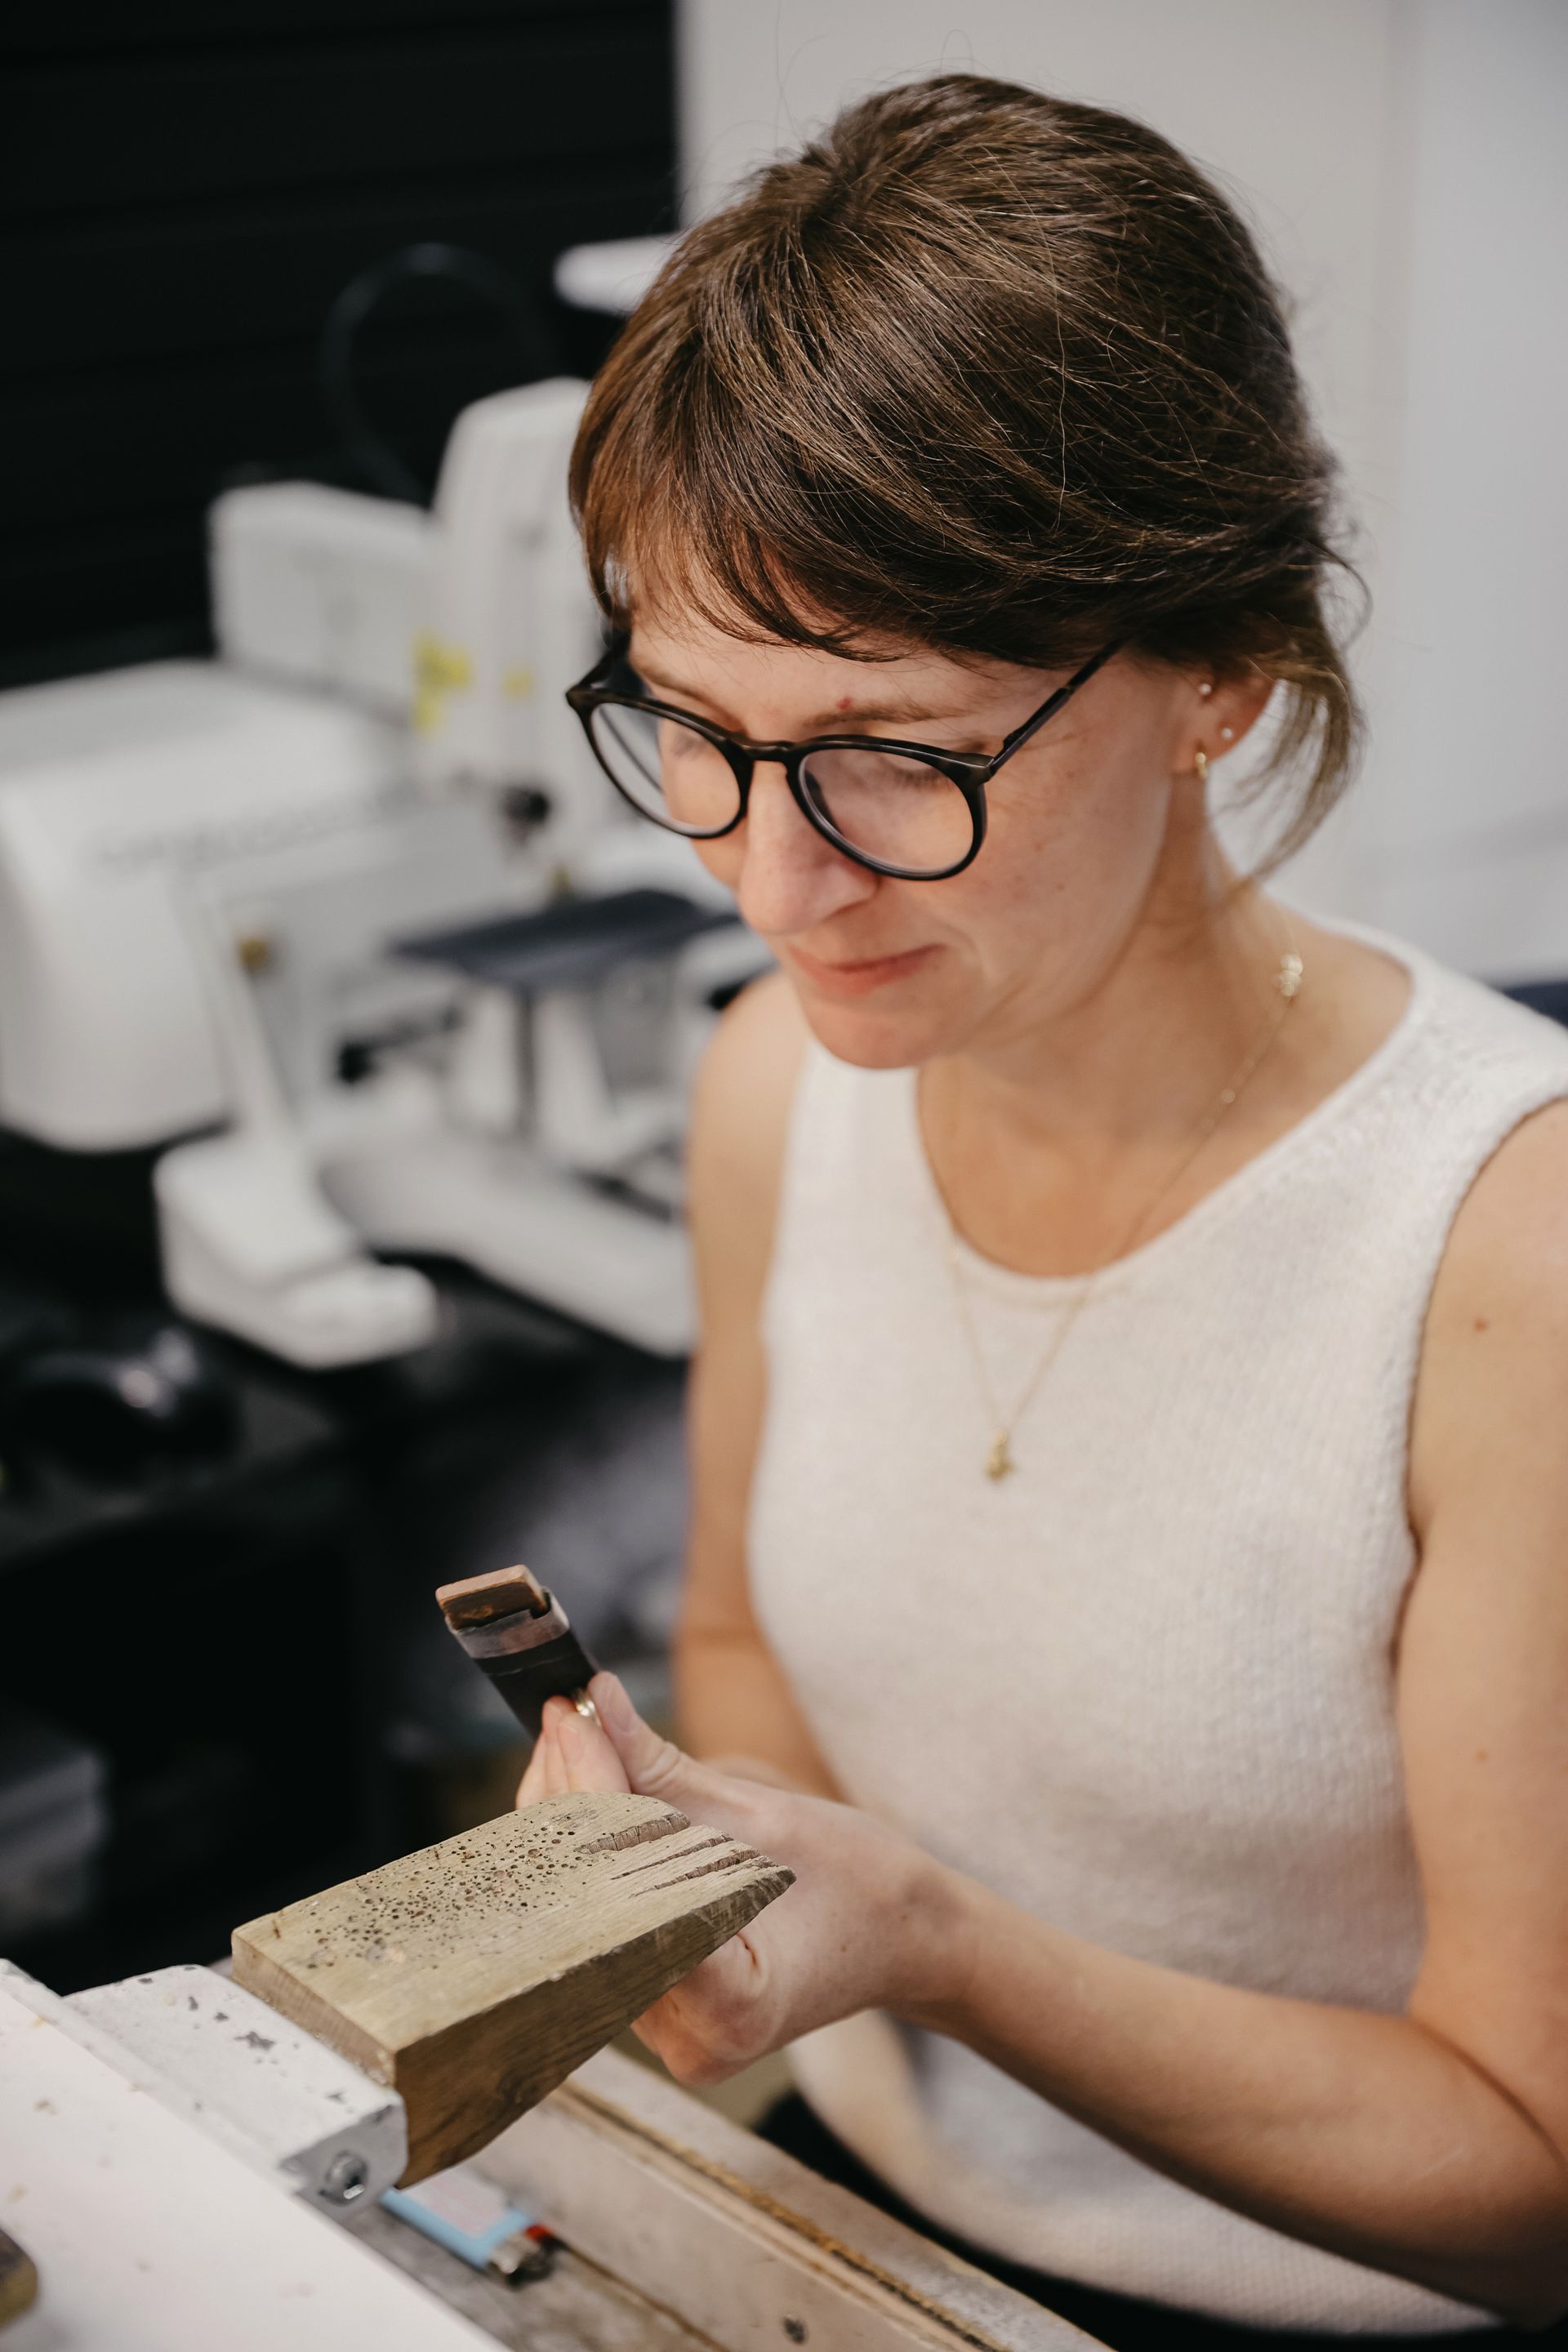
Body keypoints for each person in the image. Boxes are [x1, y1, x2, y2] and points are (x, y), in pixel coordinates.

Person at [519, 74, 1568, 2349]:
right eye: (694, 728)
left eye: (894, 751)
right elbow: (744, 1644)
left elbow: (1532, 2172)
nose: (767, 876)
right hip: (856, 2228)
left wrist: (935, 1943)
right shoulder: (773, 1087)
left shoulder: (1504, 1255)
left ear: (1221, 675)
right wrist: (723, 1886)